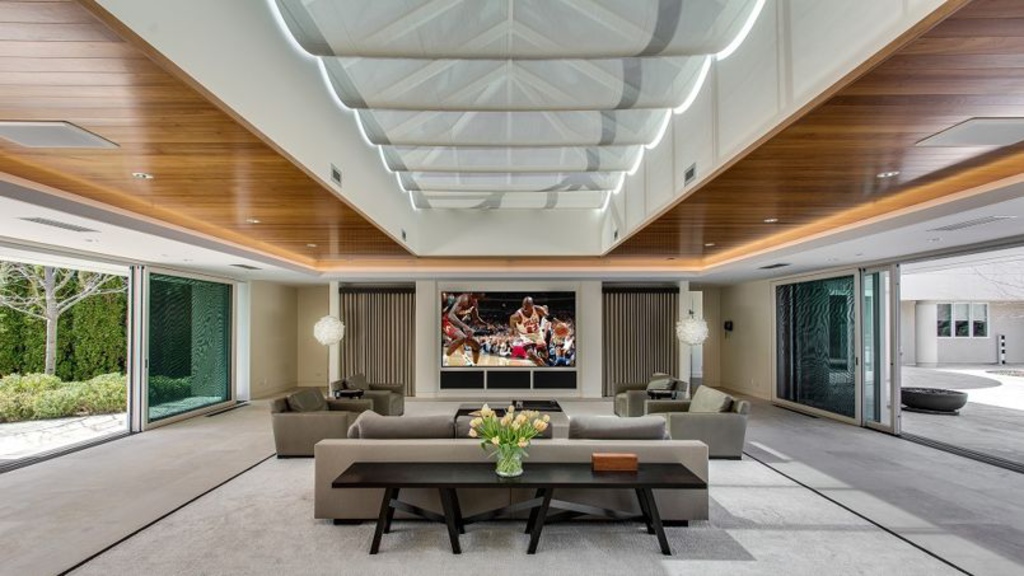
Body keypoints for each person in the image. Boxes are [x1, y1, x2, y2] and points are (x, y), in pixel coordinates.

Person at [442, 293, 487, 366]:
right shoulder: (464, 298)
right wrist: (466, 327)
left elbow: (476, 319)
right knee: (461, 337)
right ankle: (444, 359)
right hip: (446, 320)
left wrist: (486, 324)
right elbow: (450, 315)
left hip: (458, 323)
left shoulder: (474, 303)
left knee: (476, 345)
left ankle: (474, 365)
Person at [509, 296, 550, 366]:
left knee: (545, 355)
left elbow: (549, 317)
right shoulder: (518, 315)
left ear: (532, 305)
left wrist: (558, 322)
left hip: (537, 333)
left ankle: (541, 359)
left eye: (527, 306)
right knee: (531, 354)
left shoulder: (538, 309)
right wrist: (513, 329)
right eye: (524, 305)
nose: (525, 307)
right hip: (525, 335)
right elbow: (511, 319)